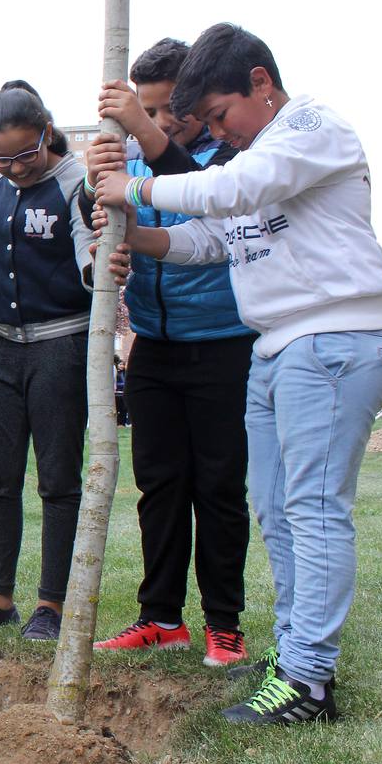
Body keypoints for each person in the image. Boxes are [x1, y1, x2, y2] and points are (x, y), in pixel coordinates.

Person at [93, 23, 382, 724]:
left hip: (332, 337)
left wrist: (139, 183)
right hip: (276, 348)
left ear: (261, 83)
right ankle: (294, 654)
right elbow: (212, 240)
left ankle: (309, 681)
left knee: (315, 510)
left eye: (221, 116)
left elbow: (232, 189)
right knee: (277, 509)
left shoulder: (309, 130)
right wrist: (131, 229)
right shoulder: (257, 157)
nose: (220, 133)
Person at [77, 37, 257, 669]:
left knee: (218, 487)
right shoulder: (132, 157)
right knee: (159, 486)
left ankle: (224, 625)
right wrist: (106, 242)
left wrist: (139, 142)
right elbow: (103, 216)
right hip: (152, 345)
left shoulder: (232, 156)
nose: (156, 124)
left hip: (223, 344)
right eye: (144, 112)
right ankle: (160, 618)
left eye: (164, 111)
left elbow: (195, 206)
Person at [0, 81, 95, 642]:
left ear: (46, 132)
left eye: (25, 154)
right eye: (2, 157)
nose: (14, 168)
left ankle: (51, 606)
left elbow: (90, 245)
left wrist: (96, 273)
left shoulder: (75, 181)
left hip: (62, 342)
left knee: (58, 478)